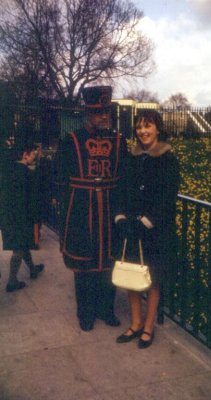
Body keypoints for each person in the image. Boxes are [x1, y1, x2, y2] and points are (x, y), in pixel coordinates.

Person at [54, 86, 128, 331]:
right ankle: (85, 313)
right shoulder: (72, 140)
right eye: (99, 113)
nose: (104, 117)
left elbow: (125, 175)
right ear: (88, 113)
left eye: (106, 112)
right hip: (81, 210)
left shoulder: (119, 141)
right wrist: (66, 211)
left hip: (109, 208)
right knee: (84, 266)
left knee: (109, 263)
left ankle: (106, 310)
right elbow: (60, 177)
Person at [115, 109, 180, 349]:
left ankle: (148, 327)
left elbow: (167, 196)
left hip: (155, 230)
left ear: (158, 129)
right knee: (132, 275)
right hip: (132, 226)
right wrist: (120, 217)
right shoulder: (132, 157)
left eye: (148, 126)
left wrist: (147, 221)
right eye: (139, 127)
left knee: (152, 279)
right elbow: (122, 188)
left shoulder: (167, 158)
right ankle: (135, 323)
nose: (142, 131)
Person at [1, 141, 45, 292]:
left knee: (22, 243)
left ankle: (32, 269)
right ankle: (12, 281)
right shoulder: (27, 173)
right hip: (21, 216)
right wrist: (36, 218)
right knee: (18, 248)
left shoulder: (9, 170)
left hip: (8, 214)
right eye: (33, 154)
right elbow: (32, 199)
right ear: (25, 155)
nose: (35, 157)